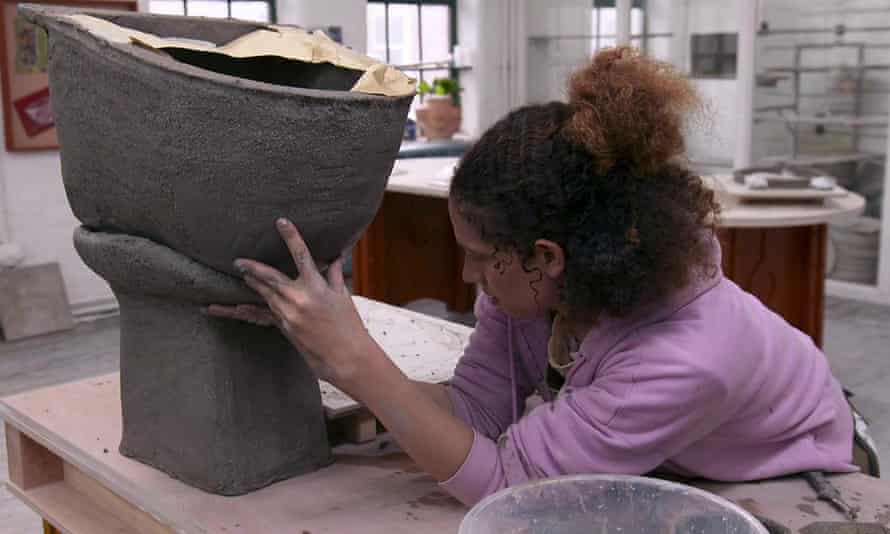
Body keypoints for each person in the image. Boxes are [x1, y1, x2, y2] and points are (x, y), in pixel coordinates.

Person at [206, 47, 857, 506]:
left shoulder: (684, 358)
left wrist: (360, 366)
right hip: (683, 444)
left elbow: (508, 488)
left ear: (545, 257)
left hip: (793, 471)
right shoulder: (546, 289)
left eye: (478, 255)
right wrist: (330, 352)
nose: (466, 275)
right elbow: (479, 413)